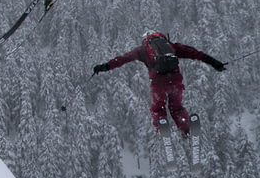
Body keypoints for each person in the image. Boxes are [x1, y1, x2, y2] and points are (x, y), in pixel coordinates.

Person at [92, 31, 227, 135]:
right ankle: (186, 129)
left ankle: (162, 126)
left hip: (159, 85)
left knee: (158, 108)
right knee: (177, 108)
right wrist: (215, 63)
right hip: (176, 82)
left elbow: (121, 59)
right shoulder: (172, 46)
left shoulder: (142, 50)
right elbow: (196, 53)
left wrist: (104, 66)